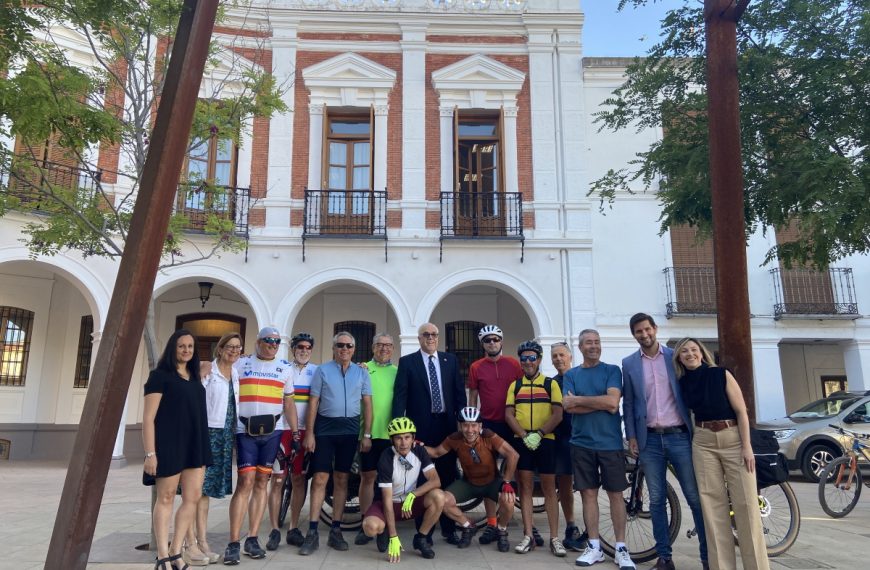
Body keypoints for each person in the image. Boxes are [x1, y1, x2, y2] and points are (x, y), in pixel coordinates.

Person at [674, 338, 769, 570]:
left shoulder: (720, 374)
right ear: (679, 357)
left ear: (701, 353)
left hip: (732, 436)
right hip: (703, 441)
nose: (690, 354)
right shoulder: (683, 382)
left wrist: (746, 446)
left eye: (694, 350)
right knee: (712, 507)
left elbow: (741, 412)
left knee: (746, 504)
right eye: (684, 351)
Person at [622, 314, 708, 570]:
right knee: (657, 500)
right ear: (634, 334)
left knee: (694, 497)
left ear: (655, 329)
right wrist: (632, 436)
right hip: (649, 440)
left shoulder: (675, 356)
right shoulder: (629, 363)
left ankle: (707, 557)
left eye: (647, 329)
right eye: (639, 331)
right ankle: (665, 558)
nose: (644, 334)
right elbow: (628, 402)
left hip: (679, 436)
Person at [222, 327, 298, 565]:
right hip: (245, 431)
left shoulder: (285, 368)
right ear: (258, 342)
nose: (272, 344)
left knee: (262, 483)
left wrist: (295, 433)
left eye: (276, 342)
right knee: (244, 482)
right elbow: (218, 368)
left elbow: (289, 403)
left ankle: (252, 537)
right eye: (268, 340)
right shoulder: (241, 364)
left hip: (273, 431)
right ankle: (234, 541)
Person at [562, 329, 635, 569]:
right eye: (588, 343)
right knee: (588, 495)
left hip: (610, 443)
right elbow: (568, 408)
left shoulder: (612, 370)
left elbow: (613, 403)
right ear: (580, 347)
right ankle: (594, 546)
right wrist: (599, 402)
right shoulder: (571, 375)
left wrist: (580, 400)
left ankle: (621, 548)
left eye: (597, 342)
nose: (594, 346)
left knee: (616, 495)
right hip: (581, 444)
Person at [392, 322, 467, 544]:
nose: (431, 338)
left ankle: (448, 528)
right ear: (419, 338)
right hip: (420, 429)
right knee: (423, 477)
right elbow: (400, 398)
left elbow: (459, 394)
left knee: (447, 476)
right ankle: (425, 530)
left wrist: (462, 422)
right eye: (426, 334)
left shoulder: (450, 361)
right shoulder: (408, 363)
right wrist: (399, 430)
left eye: (434, 334)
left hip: (447, 427)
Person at [142, 329, 211, 570]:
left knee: (191, 499)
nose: (186, 350)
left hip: (195, 445)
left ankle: (175, 551)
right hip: (168, 445)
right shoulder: (159, 376)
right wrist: (150, 453)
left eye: (190, 346)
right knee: (167, 498)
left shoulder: (194, 377)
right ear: (173, 348)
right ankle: (162, 556)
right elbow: (148, 418)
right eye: (181, 346)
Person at [299, 331, 373, 555]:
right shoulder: (323, 370)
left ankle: (336, 529)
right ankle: (312, 532)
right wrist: (310, 433)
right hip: (325, 430)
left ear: (354, 349)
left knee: (341, 478)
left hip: (350, 430)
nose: (344, 349)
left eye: (349, 346)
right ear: (333, 348)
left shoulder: (362, 372)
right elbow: (314, 402)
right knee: (320, 478)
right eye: (340, 345)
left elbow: (368, 405)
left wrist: (367, 434)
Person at [425, 406, 518, 552]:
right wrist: (417, 446)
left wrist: (506, 482)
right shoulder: (454, 439)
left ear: (480, 426)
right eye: (465, 425)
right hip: (469, 483)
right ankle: (468, 526)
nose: (470, 430)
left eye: (474, 425)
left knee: (509, 500)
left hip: (492, 482)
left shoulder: (488, 436)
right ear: (460, 426)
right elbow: (436, 452)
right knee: (442, 500)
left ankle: (501, 530)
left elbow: (513, 455)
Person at [185, 332, 242, 565]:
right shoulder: (208, 370)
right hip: (206, 434)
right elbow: (194, 398)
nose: (234, 351)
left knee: (205, 492)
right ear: (220, 349)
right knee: (193, 491)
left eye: (238, 348)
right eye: (229, 347)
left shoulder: (235, 372)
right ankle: (189, 542)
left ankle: (203, 541)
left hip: (225, 436)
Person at [505, 340, 565, 556]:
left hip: (545, 439)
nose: (528, 362)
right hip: (522, 440)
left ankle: (555, 538)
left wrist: (539, 434)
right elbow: (508, 414)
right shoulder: (515, 385)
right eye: (524, 358)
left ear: (539, 360)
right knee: (526, 488)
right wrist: (523, 435)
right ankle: (528, 535)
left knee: (550, 489)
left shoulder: (551, 384)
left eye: (532, 358)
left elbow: (558, 414)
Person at [466, 324, 524, 545]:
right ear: (482, 344)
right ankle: (492, 522)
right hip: (488, 423)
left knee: (516, 469)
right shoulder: (476, 367)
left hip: (512, 423)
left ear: (501, 341)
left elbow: (522, 391)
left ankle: (511, 518)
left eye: (495, 339)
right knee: (488, 473)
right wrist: (472, 422)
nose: (492, 343)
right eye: (487, 340)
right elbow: (473, 396)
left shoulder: (513, 364)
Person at [359, 417, 446, 562]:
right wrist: (394, 536)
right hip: (389, 503)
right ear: (392, 440)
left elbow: (435, 480)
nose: (403, 442)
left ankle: (421, 538)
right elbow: (387, 501)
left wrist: (413, 494)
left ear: (413, 438)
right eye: (398, 438)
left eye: (407, 437)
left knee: (439, 496)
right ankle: (384, 530)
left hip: (410, 503)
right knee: (370, 527)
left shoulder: (420, 451)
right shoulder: (386, 458)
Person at [263, 332, 317, 551]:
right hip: (281, 431)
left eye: (308, 347)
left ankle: (294, 527)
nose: (304, 350)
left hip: (306, 432)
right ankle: (275, 529)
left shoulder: (317, 371)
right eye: (300, 347)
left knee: (298, 480)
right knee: (277, 480)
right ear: (293, 349)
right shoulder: (283, 368)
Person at [355, 333, 398, 546]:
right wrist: (366, 435)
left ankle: (384, 527)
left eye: (388, 346)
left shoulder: (397, 372)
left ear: (393, 349)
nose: (384, 349)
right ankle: (366, 522)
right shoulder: (363, 369)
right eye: (380, 345)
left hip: (391, 436)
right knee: (368, 477)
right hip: (369, 433)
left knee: (386, 482)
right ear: (373, 347)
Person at [550, 341, 587, 552]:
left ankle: (590, 528)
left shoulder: (581, 377)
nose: (558, 359)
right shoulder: (553, 383)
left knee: (585, 485)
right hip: (562, 439)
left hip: (582, 437)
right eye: (554, 356)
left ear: (570, 356)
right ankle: (571, 524)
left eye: (562, 355)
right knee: (564, 484)